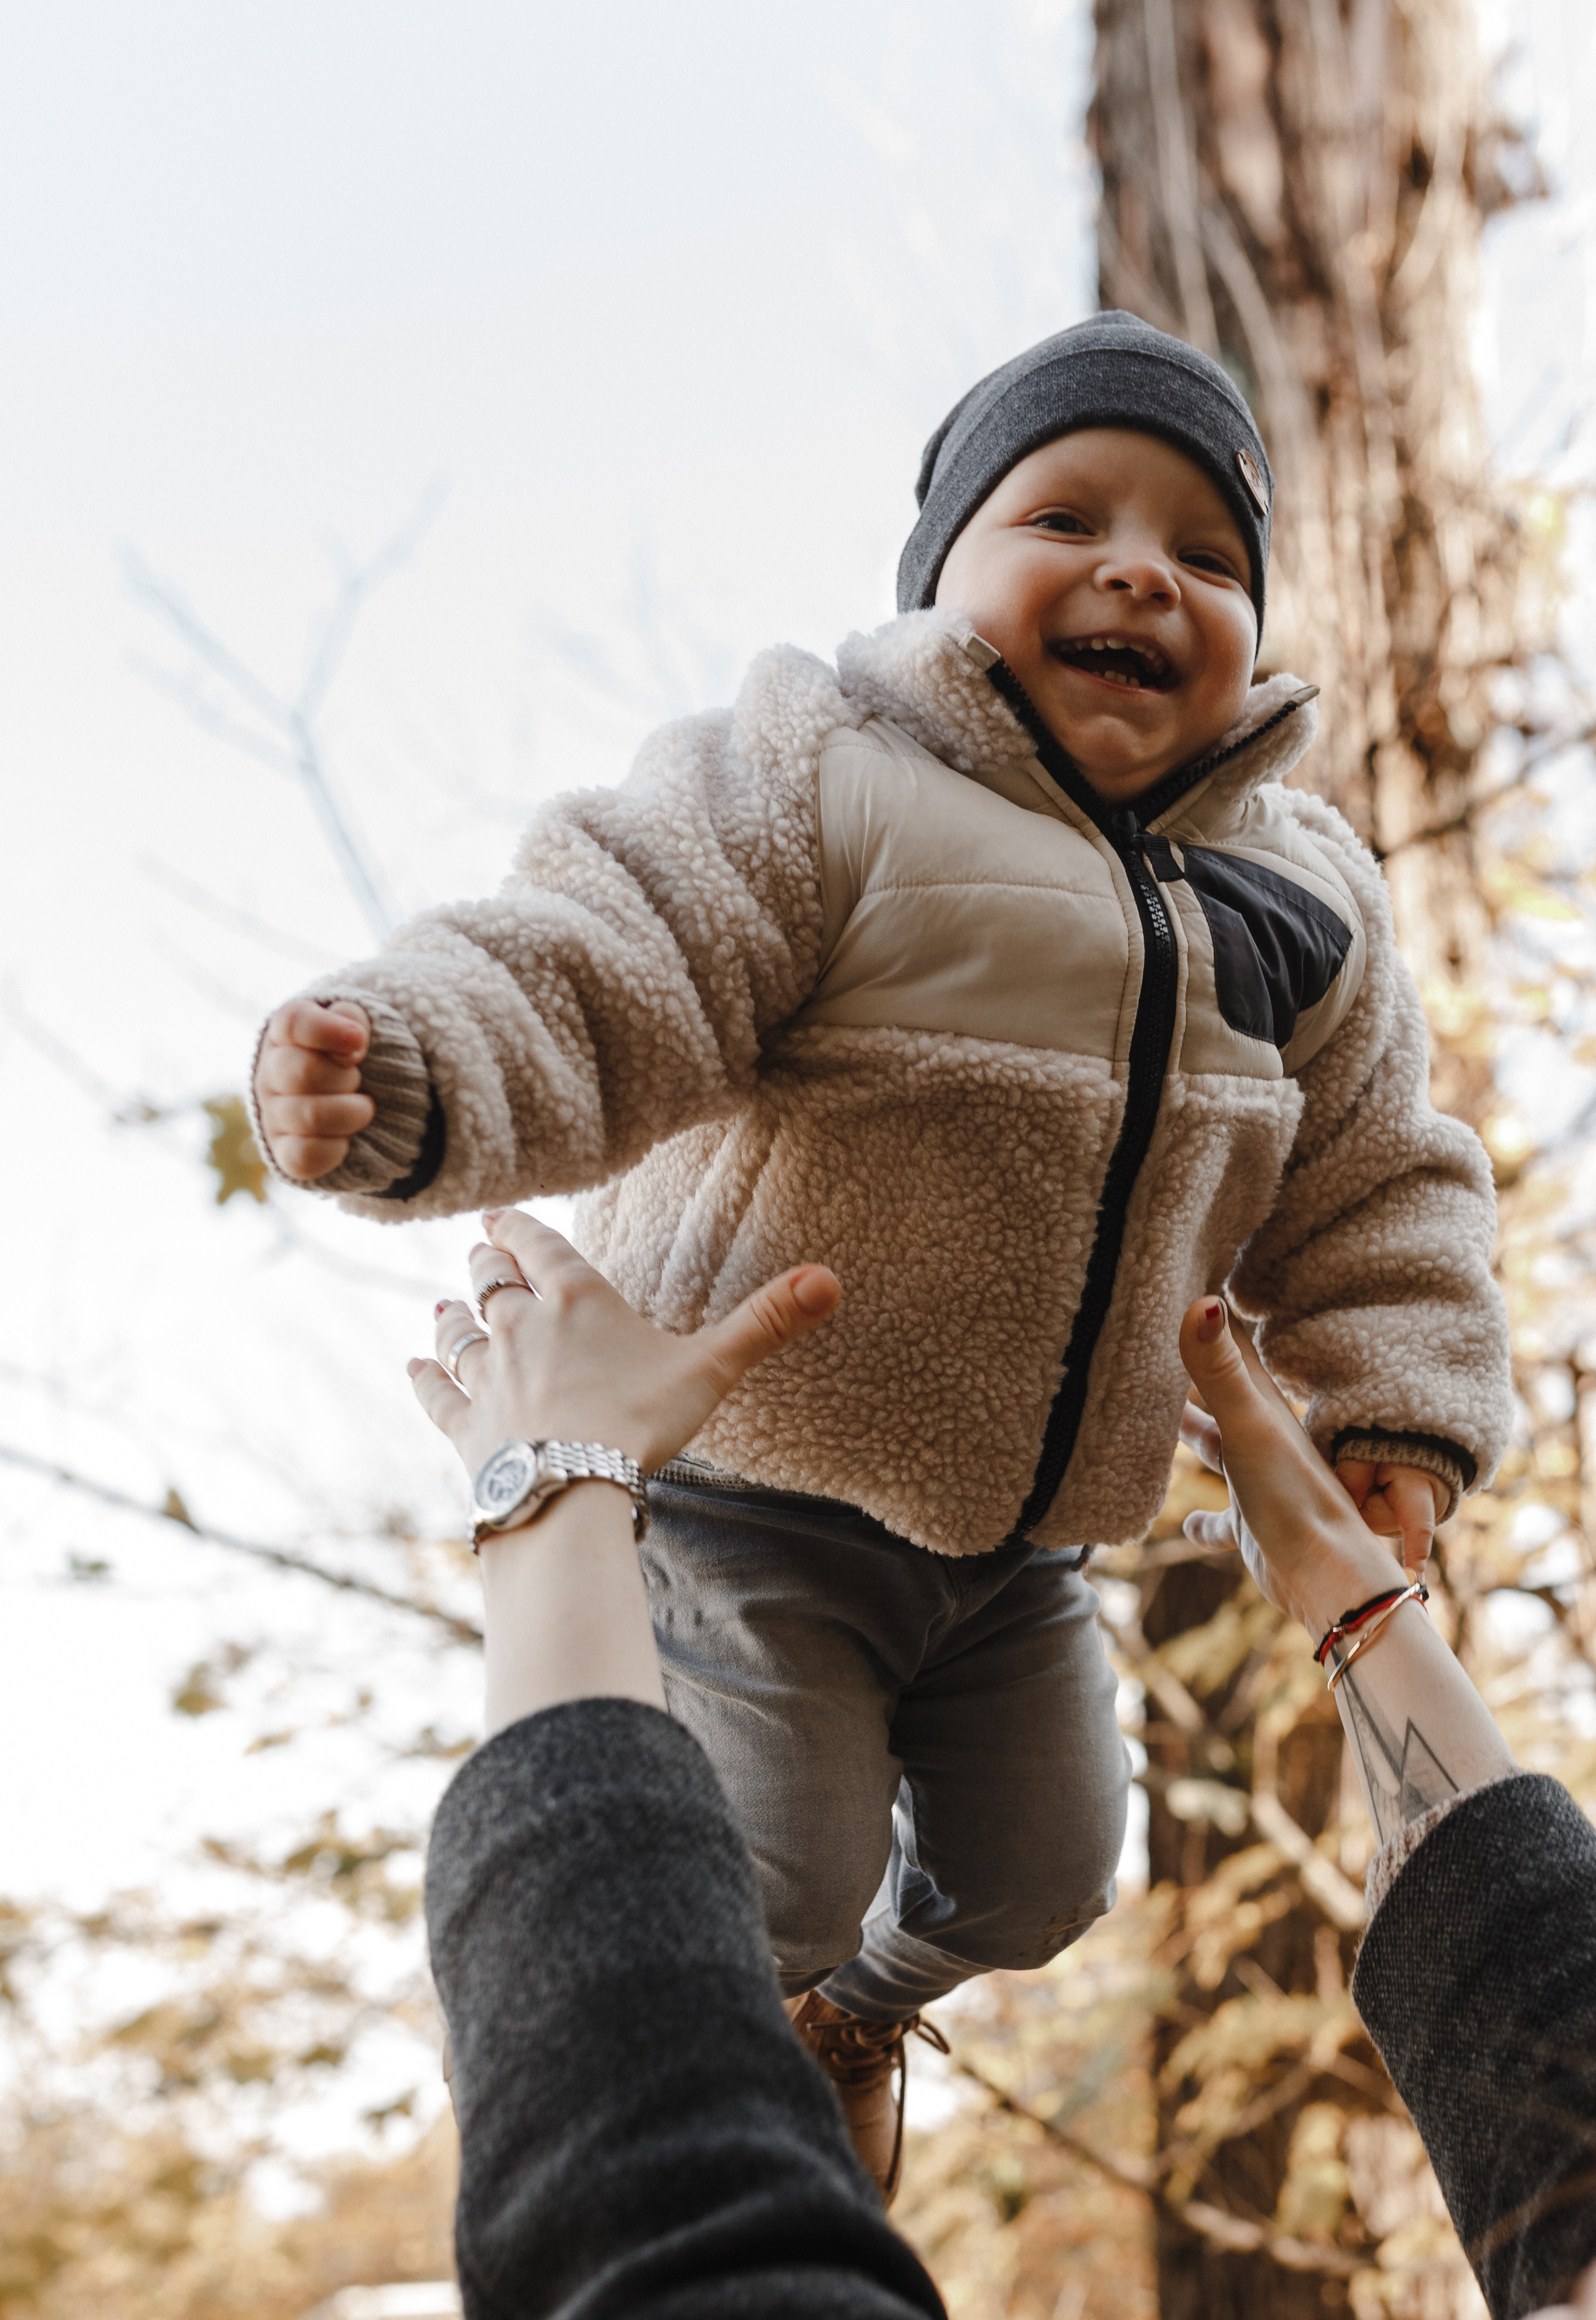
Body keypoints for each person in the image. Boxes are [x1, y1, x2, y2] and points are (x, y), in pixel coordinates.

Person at [252, 311, 1513, 2190]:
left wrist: (1393, 1420)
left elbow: (1383, 1185)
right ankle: (686, 2117)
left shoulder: (1309, 896)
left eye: (1209, 554)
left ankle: (858, 2009)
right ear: (942, 579)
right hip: (760, 1483)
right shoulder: (828, 774)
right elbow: (611, 956)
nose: (1138, 572)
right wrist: (413, 1069)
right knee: (776, 1873)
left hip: (1024, 1548)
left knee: (1047, 1874)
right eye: (1065, 515)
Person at [415, 1209, 1596, 2320]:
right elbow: (1545, 2025)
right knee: (814, 1884)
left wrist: (549, 1488)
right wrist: (1358, 1579)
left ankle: (845, 2013)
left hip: (968, 1530)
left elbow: (657, 2246)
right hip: (844, 1498)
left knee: (1037, 1875)